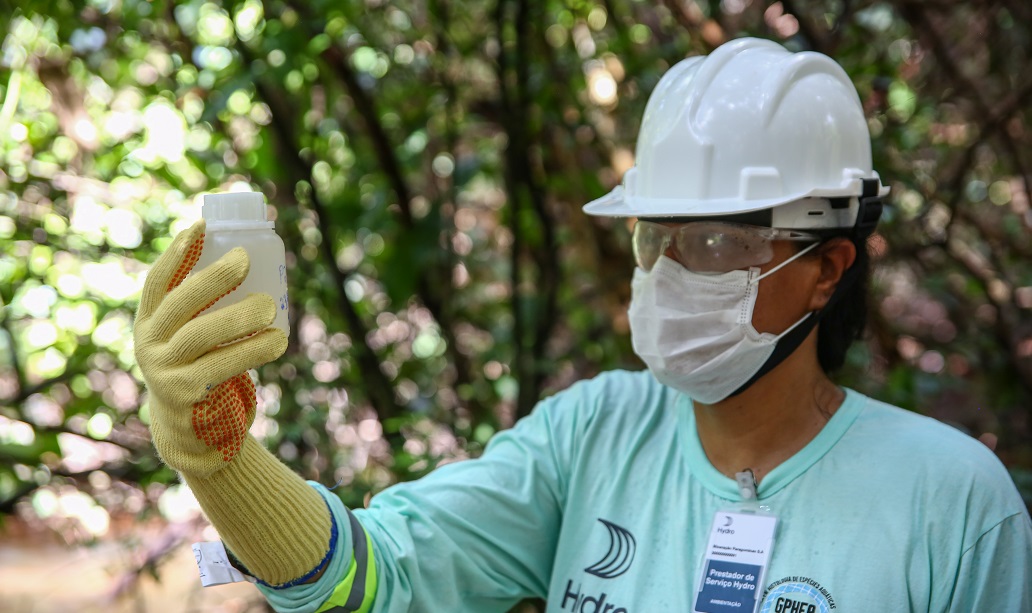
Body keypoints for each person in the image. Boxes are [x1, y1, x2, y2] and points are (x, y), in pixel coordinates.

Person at [133, 38, 1032, 613]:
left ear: (825, 270)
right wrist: (220, 457)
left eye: (717, 240)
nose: (672, 269)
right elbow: (374, 573)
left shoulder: (952, 503)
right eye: (656, 236)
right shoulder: (590, 435)